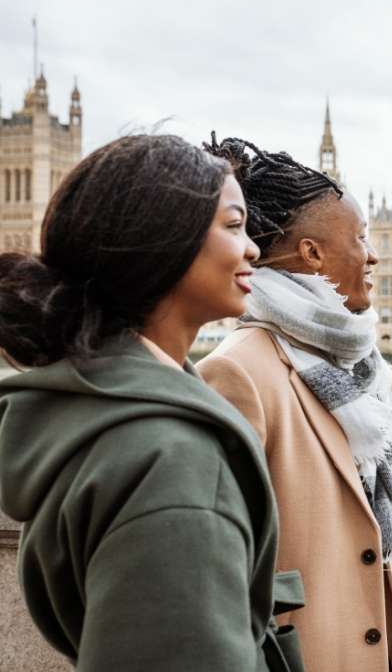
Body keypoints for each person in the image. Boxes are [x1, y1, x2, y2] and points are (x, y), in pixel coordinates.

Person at [0, 135, 303, 671]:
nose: (254, 247)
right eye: (233, 225)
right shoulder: (174, 458)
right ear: (164, 243)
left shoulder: (85, 411)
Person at [198, 135, 392, 672]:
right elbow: (215, 573)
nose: (374, 255)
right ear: (312, 253)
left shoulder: (357, 370)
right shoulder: (238, 371)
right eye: (361, 238)